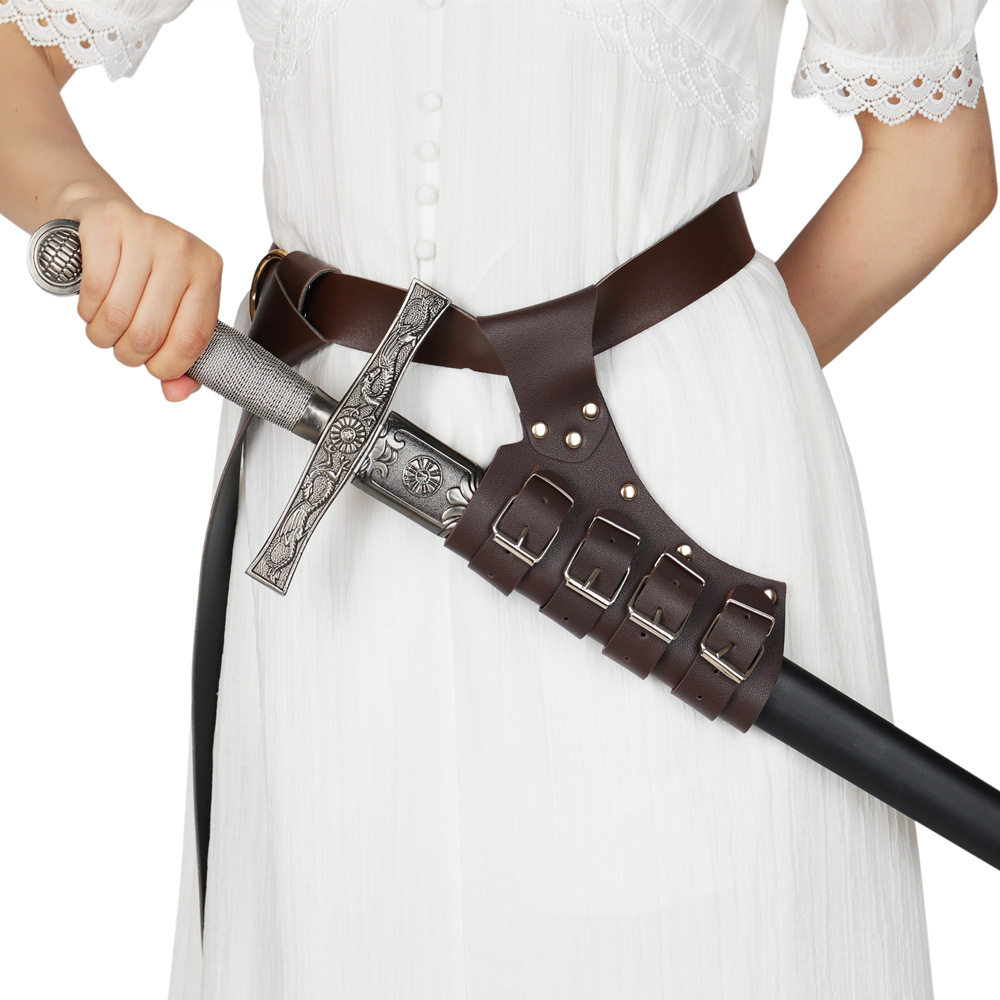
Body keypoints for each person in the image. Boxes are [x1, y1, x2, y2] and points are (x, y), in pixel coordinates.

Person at [0, 1, 995, 997]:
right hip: (336, 536)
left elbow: (931, 169)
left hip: (681, 531)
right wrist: (83, 200)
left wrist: (693, 387)